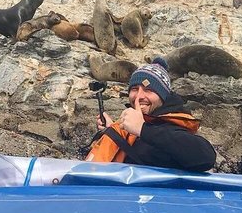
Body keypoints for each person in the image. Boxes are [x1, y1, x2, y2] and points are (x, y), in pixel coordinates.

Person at [86, 57, 216, 172]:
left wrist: (142, 129)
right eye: (134, 89)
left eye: (148, 90)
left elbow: (206, 157)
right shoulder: (134, 125)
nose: (139, 96)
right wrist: (114, 132)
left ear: (162, 96)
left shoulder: (170, 126)